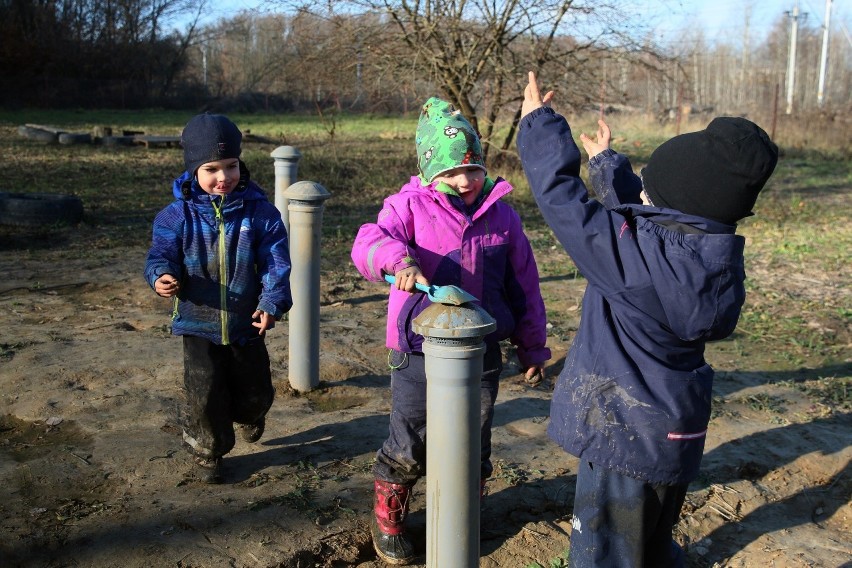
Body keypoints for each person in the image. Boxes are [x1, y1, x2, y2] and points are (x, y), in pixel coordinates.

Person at [516, 71, 778, 567]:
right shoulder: (711, 258)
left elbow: (565, 204)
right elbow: (647, 225)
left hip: (622, 434)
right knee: (651, 544)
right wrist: (609, 167)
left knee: (606, 555)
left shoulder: (636, 265)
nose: (643, 199)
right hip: (673, 434)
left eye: (650, 192)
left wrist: (537, 125)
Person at [351, 96, 551, 565]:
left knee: (472, 439)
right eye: (450, 174)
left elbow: (524, 286)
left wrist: (532, 347)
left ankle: (461, 516)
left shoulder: (503, 216)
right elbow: (368, 242)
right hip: (417, 350)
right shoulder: (406, 208)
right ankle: (389, 518)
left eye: (473, 169)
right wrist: (395, 260)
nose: (464, 181)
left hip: (481, 350)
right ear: (428, 173)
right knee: (411, 438)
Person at [144, 113, 292, 484]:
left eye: (231, 166)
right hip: (198, 321)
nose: (223, 177)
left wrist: (272, 302)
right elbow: (161, 255)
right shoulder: (175, 216)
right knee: (204, 392)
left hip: (247, 320)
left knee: (254, 390)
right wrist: (161, 276)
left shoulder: (261, 214)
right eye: (211, 168)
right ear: (193, 171)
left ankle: (252, 415)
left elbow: (276, 261)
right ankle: (208, 450)